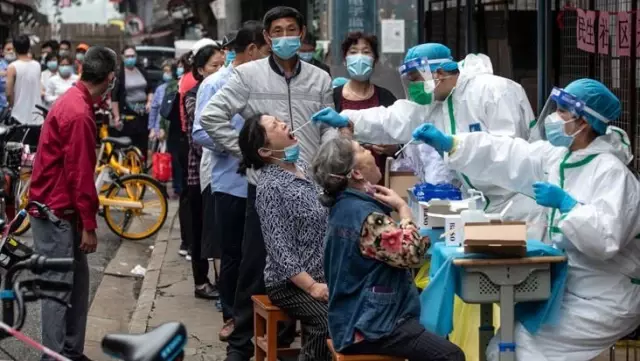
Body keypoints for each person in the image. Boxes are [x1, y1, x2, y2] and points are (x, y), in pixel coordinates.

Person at [411, 78, 640, 361]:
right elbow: (508, 155)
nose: (555, 117)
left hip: (608, 295)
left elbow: (607, 239)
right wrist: (454, 144)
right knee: (505, 342)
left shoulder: (612, 173)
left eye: (563, 111)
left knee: (519, 348)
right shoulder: (558, 157)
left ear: (585, 122)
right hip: (572, 285)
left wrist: (568, 206)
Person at [199, 7, 337, 361]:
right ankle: (241, 345)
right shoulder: (247, 75)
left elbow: (328, 130)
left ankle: (301, 338)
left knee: (312, 260)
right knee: (255, 266)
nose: (286, 36)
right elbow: (211, 117)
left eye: (292, 29)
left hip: (310, 187)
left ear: (303, 34)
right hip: (266, 185)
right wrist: (250, 154)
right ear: (267, 38)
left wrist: (329, 160)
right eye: (278, 30)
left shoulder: (320, 79)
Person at [312, 43, 545, 239]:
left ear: (439, 73)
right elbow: (394, 118)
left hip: (518, 203)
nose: (413, 86)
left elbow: (509, 152)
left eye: (416, 79)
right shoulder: (437, 102)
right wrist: (347, 119)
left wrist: (454, 145)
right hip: (482, 204)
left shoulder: (493, 91)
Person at [310, 136, 464, 361]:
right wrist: (403, 210)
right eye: (362, 150)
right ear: (356, 173)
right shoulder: (367, 217)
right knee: (450, 355)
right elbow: (412, 255)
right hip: (370, 327)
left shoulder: (345, 207)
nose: (371, 151)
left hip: (355, 320)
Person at [29, 45, 117, 361]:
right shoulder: (78, 113)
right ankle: (53, 356)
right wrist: (90, 226)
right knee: (57, 290)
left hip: (61, 210)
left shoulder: (74, 102)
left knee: (77, 285)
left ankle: (70, 351)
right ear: (110, 78)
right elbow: (81, 177)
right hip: (56, 211)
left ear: (81, 69)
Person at [193, 19, 271, 341]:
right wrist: (243, 148)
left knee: (265, 253)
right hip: (230, 183)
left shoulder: (267, 81)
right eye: (266, 50)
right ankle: (232, 316)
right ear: (252, 49)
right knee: (232, 255)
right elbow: (200, 131)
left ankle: (262, 318)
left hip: (266, 181)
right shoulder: (215, 83)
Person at [239, 114, 331, 361]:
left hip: (325, 273)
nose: (283, 124)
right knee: (326, 319)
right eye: (274, 126)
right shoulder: (270, 187)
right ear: (265, 150)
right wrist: (312, 287)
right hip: (289, 284)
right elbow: (280, 251)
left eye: (279, 120)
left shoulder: (303, 166)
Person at [184, 45, 224, 300]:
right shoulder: (193, 95)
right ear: (200, 70)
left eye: (223, 64)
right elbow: (199, 136)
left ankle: (223, 283)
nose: (220, 70)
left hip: (221, 172)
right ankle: (201, 281)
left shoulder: (228, 89)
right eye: (214, 66)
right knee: (200, 229)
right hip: (198, 173)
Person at [334, 31, 398, 185]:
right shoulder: (333, 97)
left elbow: (401, 142)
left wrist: (392, 148)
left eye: (366, 52)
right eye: (353, 52)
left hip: (378, 181)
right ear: (345, 60)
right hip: (341, 180)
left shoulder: (386, 98)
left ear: (374, 60)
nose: (360, 57)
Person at [111, 45, 153, 158]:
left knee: (142, 148)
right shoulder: (119, 74)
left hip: (143, 115)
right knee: (128, 149)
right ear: (123, 57)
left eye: (133, 56)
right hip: (128, 117)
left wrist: (149, 101)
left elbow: (150, 89)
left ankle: (141, 173)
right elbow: (114, 97)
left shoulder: (141, 71)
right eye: (128, 56)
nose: (130, 58)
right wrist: (116, 117)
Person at [7, 34, 42, 125]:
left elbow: (9, 93)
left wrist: (11, 104)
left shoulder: (12, 67)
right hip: (37, 116)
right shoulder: (37, 65)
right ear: (29, 47)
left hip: (19, 115)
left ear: (14, 49)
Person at [0, 40, 14, 114]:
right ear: (3, 52)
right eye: (8, 49)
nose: (11, 52)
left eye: (13, 49)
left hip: (17, 108)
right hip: (1, 107)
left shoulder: (20, 66)